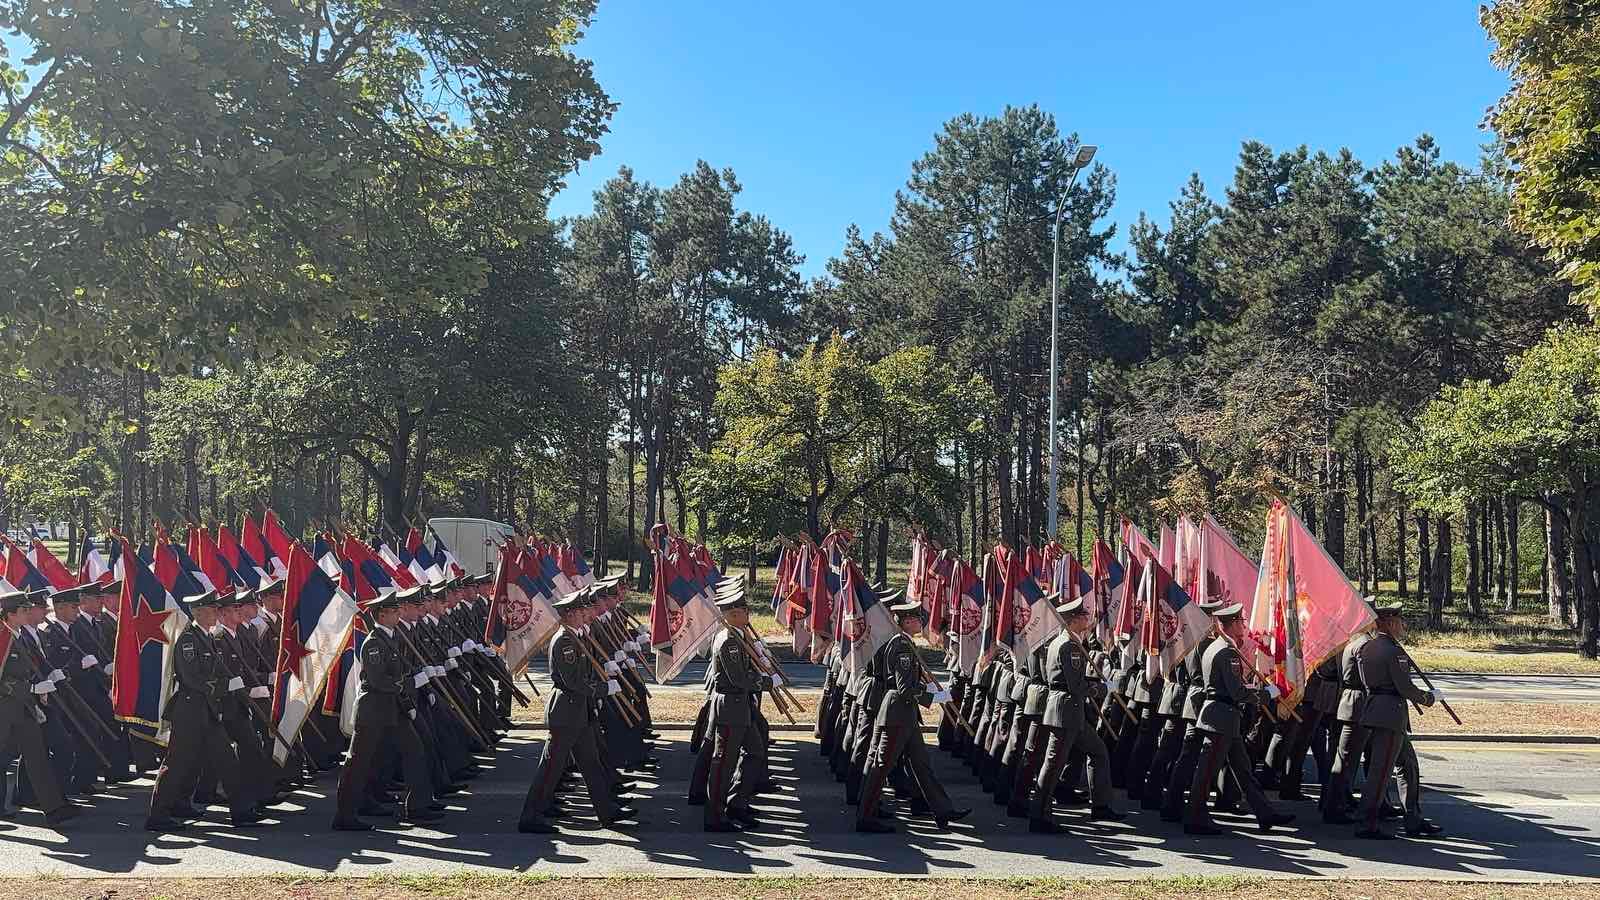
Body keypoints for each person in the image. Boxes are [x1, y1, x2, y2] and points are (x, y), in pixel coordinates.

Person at [146, 590, 264, 832]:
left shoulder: (207, 637)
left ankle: (240, 812)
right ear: (199, 612)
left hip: (207, 711)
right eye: (212, 610)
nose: (216, 614)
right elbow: (192, 678)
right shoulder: (189, 639)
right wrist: (225, 686)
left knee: (226, 760)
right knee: (177, 764)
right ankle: (157, 816)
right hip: (190, 711)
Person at [518, 588, 629, 834]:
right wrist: (603, 688)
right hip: (566, 712)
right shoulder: (564, 640)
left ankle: (607, 813)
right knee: (550, 768)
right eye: (581, 611)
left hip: (579, 711)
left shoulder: (576, 635)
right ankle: (531, 816)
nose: (586, 614)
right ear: (569, 614)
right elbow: (573, 681)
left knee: (592, 764)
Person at [856, 599, 970, 834]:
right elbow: (904, 688)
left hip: (904, 714)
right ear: (907, 621)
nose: (921, 622)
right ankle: (865, 815)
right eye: (918, 619)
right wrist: (932, 696)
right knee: (881, 766)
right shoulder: (901, 646)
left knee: (921, 764)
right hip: (897, 714)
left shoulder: (902, 641)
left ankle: (942, 809)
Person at [332, 590, 441, 831]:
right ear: (382, 615)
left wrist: (408, 697)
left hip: (394, 709)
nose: (399, 614)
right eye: (395, 611)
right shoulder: (373, 642)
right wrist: (406, 684)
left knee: (415, 751)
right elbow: (379, 680)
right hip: (373, 710)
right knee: (358, 763)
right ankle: (345, 815)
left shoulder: (391, 638)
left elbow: (399, 673)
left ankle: (417, 806)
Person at [1183, 602, 1295, 836]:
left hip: (1223, 718)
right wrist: (1266, 694)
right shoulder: (1226, 652)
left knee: (1244, 770)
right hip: (1220, 719)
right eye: (1241, 622)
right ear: (1232, 624)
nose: (1243, 626)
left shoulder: (1217, 647)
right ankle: (1195, 817)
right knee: (1206, 771)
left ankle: (1265, 814)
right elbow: (1237, 692)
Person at [1030, 596, 1121, 832]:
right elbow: (1076, 685)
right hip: (1065, 711)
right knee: (1053, 765)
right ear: (1072, 620)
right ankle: (1039, 816)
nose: (1087, 619)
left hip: (1070, 711)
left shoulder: (1063, 642)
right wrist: (1103, 688)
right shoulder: (1069, 646)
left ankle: (1100, 806)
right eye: (1082, 616)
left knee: (1098, 751)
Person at [1355, 602, 1442, 840]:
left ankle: (1413, 818)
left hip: (1377, 710)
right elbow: (1405, 688)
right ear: (1390, 623)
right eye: (1400, 621)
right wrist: (1428, 698)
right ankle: (1367, 823)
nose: (1403, 626)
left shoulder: (1367, 648)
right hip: (1390, 715)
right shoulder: (1393, 652)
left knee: (1409, 766)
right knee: (1381, 773)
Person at [0, 589, 80, 828]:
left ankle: (54, 808)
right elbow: (5, 680)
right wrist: (32, 690)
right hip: (5, 709)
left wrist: (37, 694)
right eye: (24, 610)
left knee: (38, 756)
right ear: (10, 614)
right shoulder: (3, 636)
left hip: (22, 709)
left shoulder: (17, 634)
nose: (28, 613)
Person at [704, 589, 767, 832]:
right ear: (732, 614)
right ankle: (715, 815)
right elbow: (738, 678)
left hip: (741, 705)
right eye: (743, 611)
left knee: (755, 752)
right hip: (730, 705)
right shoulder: (729, 640)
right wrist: (764, 680)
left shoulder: (737, 636)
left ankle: (736, 802)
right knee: (724, 762)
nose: (748, 614)